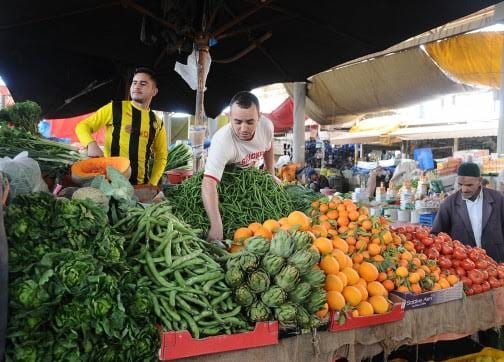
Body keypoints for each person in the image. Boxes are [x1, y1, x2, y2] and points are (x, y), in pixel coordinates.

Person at [202, 91, 277, 241]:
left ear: (259, 117)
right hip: (224, 179)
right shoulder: (222, 141)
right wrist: (216, 225)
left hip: (249, 175)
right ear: (229, 117)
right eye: (237, 122)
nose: (243, 128)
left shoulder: (267, 126)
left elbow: (268, 147)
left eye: (250, 122)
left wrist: (271, 174)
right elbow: (209, 182)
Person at [75, 67, 167, 185]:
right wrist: (91, 143)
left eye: (143, 84)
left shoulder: (157, 122)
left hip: (139, 186)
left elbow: (161, 155)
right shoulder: (114, 108)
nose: (137, 86)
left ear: (154, 91)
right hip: (109, 183)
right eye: (134, 83)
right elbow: (83, 126)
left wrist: (153, 183)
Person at [431, 162, 504, 263]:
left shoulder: (498, 199)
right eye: (460, 184)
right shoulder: (448, 204)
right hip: (464, 266)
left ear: (480, 181)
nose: (464, 189)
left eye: (469, 185)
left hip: (496, 262)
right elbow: (436, 235)